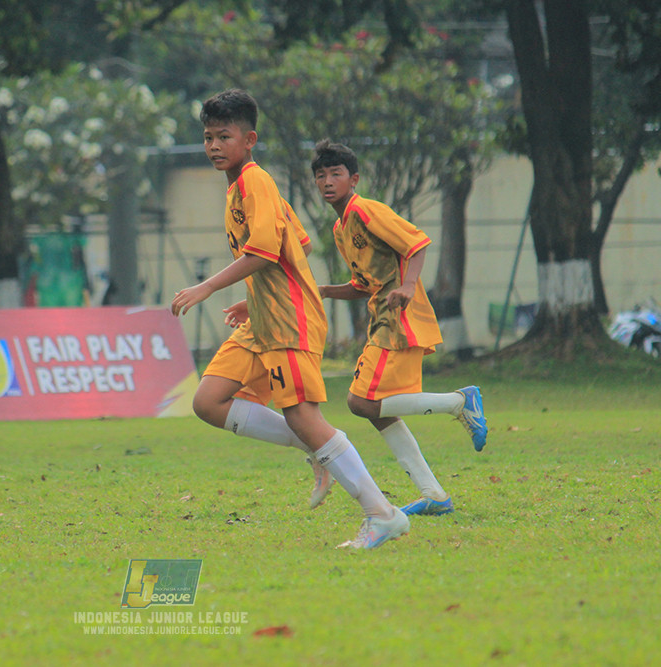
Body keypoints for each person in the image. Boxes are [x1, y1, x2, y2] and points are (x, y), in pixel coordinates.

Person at [170, 89, 409, 549]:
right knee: (208, 400)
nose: (214, 146)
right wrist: (253, 296)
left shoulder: (256, 182)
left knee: (303, 415)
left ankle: (382, 514)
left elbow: (262, 250)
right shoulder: (238, 187)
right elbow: (296, 243)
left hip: (289, 320)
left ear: (249, 139)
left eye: (224, 136)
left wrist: (208, 287)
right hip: (263, 318)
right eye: (207, 137)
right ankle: (315, 449)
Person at [308, 140, 487, 516]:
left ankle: (459, 401)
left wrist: (407, 286)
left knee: (360, 402)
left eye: (335, 174)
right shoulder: (342, 229)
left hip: (400, 315)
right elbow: (362, 284)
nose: (327, 182)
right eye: (321, 176)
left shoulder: (366, 210)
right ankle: (434, 494)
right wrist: (325, 290)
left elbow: (416, 243)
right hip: (383, 316)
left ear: (353, 179)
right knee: (378, 410)